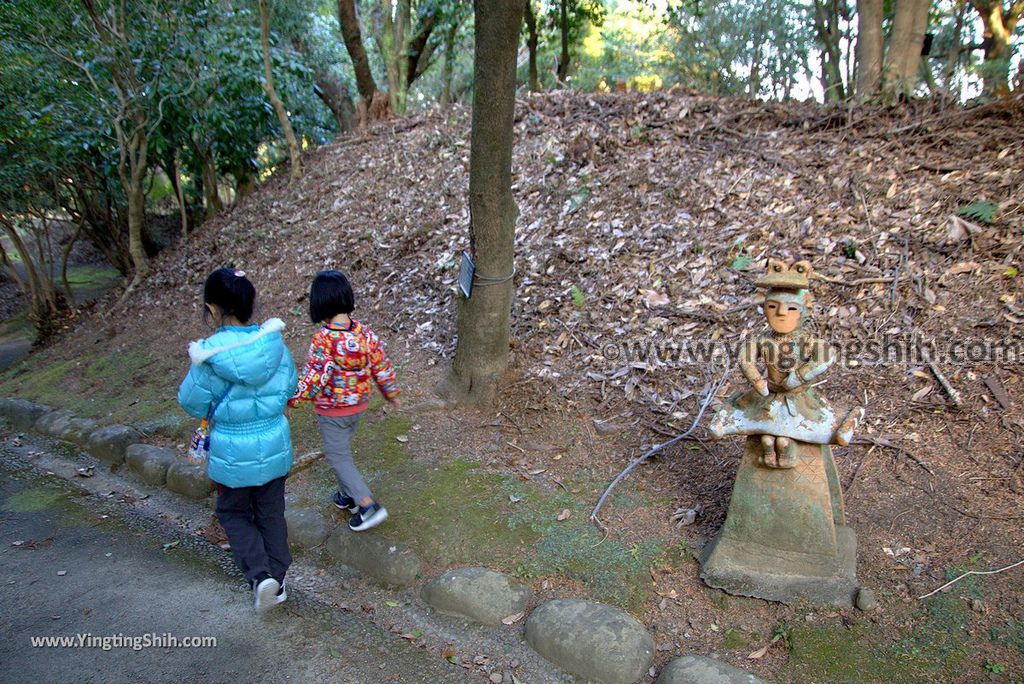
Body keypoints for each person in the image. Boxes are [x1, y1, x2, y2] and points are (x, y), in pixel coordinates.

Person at [178, 268, 298, 612]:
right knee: (271, 513)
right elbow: (289, 386)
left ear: (213, 308)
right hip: (275, 447)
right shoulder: (274, 343)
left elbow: (190, 401)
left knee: (233, 512)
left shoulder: (208, 356)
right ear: (250, 303)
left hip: (231, 453)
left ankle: (261, 577)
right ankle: (278, 577)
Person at [289, 270, 401, 532]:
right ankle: (346, 496)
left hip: (333, 411)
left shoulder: (324, 339)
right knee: (341, 451)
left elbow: (314, 378)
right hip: (358, 407)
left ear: (319, 304)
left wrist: (291, 401)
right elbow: (381, 365)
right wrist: (391, 392)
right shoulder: (364, 334)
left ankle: (366, 504)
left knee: (337, 456)